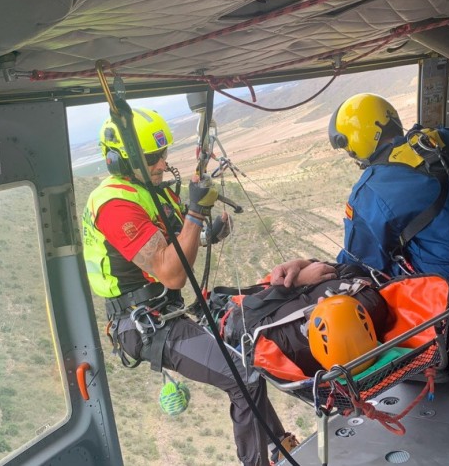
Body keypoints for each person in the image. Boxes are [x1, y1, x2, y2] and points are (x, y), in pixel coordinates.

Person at [81, 108, 294, 466]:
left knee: (246, 355)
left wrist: (203, 234)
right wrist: (195, 214)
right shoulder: (116, 204)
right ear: (117, 159)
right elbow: (172, 273)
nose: (162, 164)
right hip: (144, 324)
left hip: (166, 311)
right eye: (152, 158)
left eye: (163, 155)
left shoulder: (149, 191)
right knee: (243, 376)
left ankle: (279, 445)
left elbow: (176, 242)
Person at [322, 92, 449, 316]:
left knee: (382, 272)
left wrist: (328, 270)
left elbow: (362, 262)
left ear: (355, 141)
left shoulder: (370, 189)